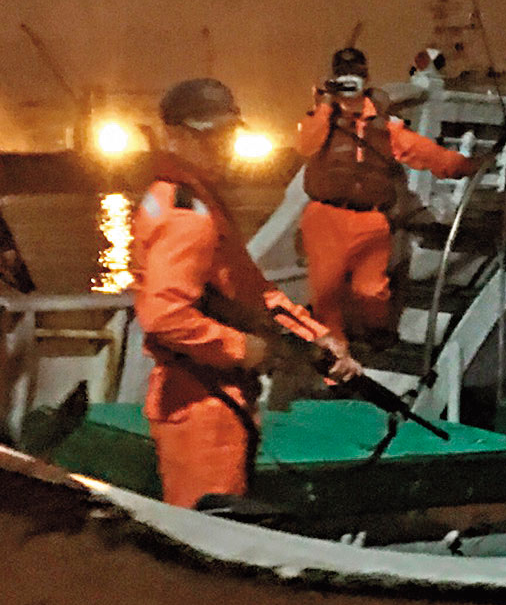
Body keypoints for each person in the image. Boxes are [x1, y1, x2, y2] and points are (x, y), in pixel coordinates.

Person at [132, 77, 357, 509]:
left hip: (203, 395)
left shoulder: (182, 199)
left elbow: (253, 291)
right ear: (175, 135)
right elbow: (164, 317)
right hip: (202, 403)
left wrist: (315, 336)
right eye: (208, 135)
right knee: (209, 534)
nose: (220, 145)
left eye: (227, 134)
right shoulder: (190, 216)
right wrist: (243, 348)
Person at [293, 46, 475, 343]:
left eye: (356, 76)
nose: (350, 82)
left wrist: (466, 165)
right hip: (324, 217)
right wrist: (327, 104)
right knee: (326, 295)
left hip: (372, 219)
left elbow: (422, 151)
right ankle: (334, 357)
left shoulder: (384, 124)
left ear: (365, 79)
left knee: (373, 291)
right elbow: (305, 145)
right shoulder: (320, 119)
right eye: (343, 76)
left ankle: (377, 335)